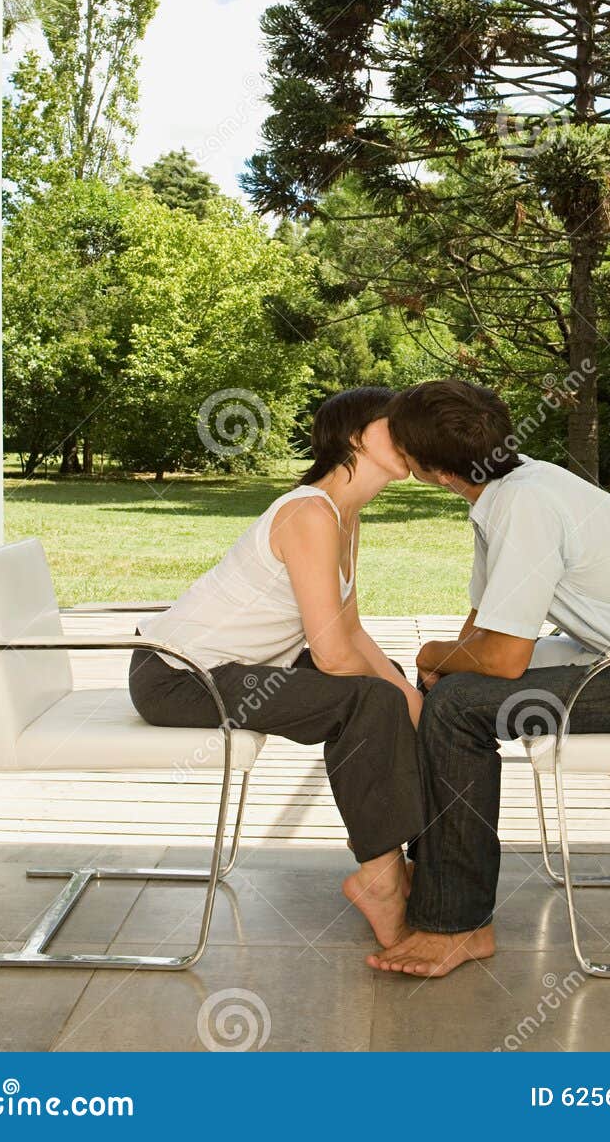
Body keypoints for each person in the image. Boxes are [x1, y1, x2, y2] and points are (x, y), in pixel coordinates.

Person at [369, 378, 610, 979]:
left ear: (434, 471)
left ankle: (461, 924)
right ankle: (432, 877)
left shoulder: (525, 504)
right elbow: (486, 625)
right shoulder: (515, 487)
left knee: (459, 704)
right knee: (447, 690)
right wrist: (441, 663)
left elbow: (501, 660)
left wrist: (430, 653)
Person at [128, 386, 423, 948]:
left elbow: (351, 631)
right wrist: (403, 701)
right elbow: (334, 655)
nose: (413, 434)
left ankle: (408, 864)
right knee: (369, 699)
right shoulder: (309, 513)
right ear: (357, 436)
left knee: (392, 686)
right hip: (179, 677)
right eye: (397, 424)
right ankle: (382, 879)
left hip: (236, 666)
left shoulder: (343, 516)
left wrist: (411, 694)